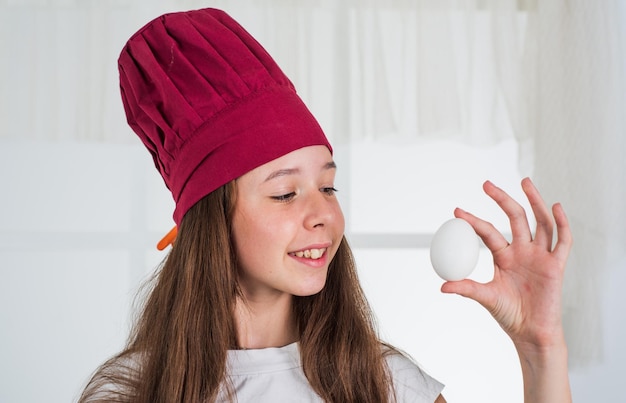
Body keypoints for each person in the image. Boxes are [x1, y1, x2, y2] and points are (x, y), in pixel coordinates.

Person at [78, 7, 572, 403]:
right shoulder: (132, 392)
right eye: (285, 193)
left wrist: (539, 347)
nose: (324, 215)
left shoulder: (385, 387)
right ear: (209, 220)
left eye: (329, 187)